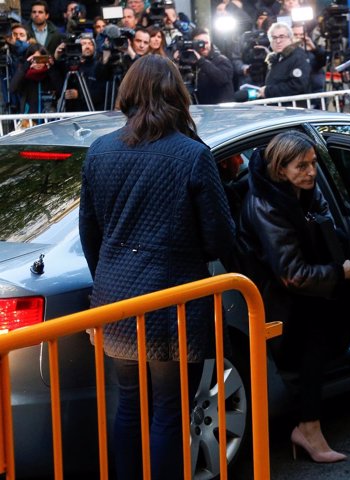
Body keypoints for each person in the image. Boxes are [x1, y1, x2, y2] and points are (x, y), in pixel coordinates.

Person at [78, 54, 235, 480]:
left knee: (129, 404)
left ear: (128, 94)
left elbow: (89, 234)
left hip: (115, 301)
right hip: (174, 301)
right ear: (177, 96)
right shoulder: (191, 154)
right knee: (169, 410)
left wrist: (108, 277)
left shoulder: (100, 150)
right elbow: (219, 237)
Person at [236, 131, 350, 464]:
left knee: (322, 337)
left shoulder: (303, 192)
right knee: (312, 343)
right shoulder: (266, 205)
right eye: (302, 166)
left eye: (313, 163)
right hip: (279, 298)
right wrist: (341, 273)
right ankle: (308, 430)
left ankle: (307, 427)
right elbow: (292, 275)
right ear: (280, 169)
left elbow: (324, 229)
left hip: (308, 288)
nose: (312, 172)